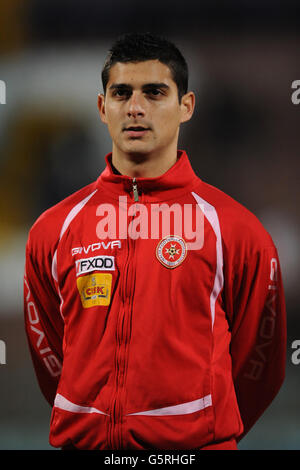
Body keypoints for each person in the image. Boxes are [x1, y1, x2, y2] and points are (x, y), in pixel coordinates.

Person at [24, 32, 287, 450]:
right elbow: (52, 356)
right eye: (121, 93)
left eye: (154, 92)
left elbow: (261, 365)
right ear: (101, 107)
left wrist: (200, 431)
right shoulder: (53, 230)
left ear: (186, 107)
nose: (135, 108)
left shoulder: (237, 230)